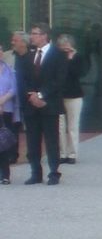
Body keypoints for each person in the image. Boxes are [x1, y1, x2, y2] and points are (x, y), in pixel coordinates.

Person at [19, 23, 66, 185]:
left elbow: (59, 80)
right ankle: (35, 173)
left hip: (49, 105)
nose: (32, 37)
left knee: (51, 140)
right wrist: (31, 95)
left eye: (35, 33)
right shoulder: (28, 55)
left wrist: (41, 95)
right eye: (31, 33)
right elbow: (23, 79)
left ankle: (54, 172)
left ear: (45, 35)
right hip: (31, 105)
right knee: (32, 141)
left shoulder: (58, 55)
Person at [57, 33, 88, 165]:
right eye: (62, 46)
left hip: (74, 95)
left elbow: (78, 73)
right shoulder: (57, 58)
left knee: (73, 126)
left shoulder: (79, 57)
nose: (65, 48)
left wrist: (70, 59)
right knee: (60, 126)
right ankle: (62, 153)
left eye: (67, 45)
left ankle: (72, 153)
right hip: (59, 96)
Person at [0, 42, 19, 184]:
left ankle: (5, 175)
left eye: (0, 49)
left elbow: (14, 88)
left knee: (3, 143)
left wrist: (2, 101)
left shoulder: (9, 69)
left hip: (6, 110)